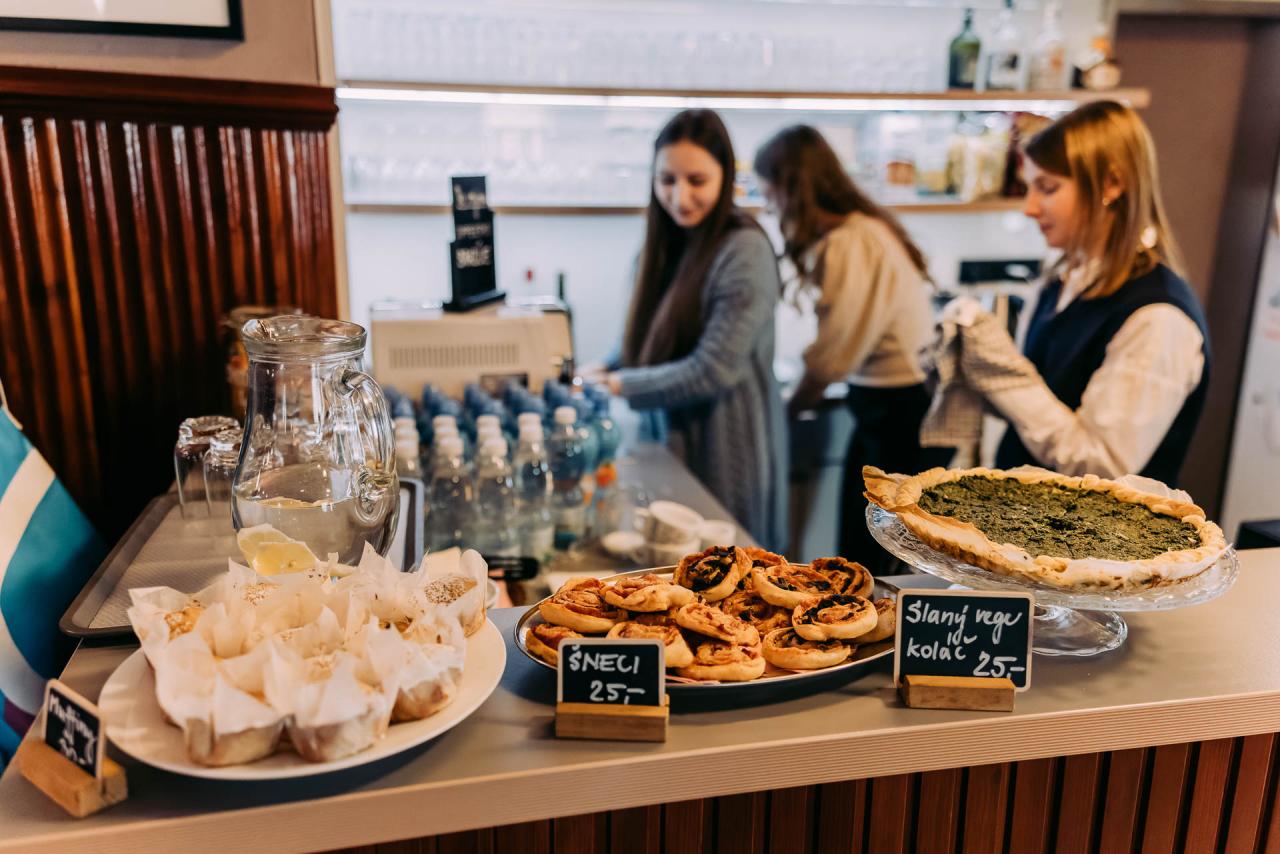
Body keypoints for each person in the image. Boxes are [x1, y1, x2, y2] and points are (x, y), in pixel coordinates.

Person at [963, 100, 1209, 485]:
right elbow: (1036, 413)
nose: (1029, 208)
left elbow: (1102, 463)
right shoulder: (1059, 281)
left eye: (1047, 188)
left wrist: (1005, 378)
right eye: (1029, 187)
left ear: (1111, 184)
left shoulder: (1157, 317)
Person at [584, 109, 787, 552]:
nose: (679, 196)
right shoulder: (667, 243)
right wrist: (604, 366)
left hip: (727, 448)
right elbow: (646, 335)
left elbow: (713, 368)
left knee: (729, 565)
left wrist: (618, 383)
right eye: (667, 180)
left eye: (697, 181)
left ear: (725, 177)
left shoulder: (745, 250)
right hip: (670, 443)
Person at [753, 125, 946, 571]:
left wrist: (787, 410)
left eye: (769, 194)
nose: (769, 207)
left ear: (790, 187)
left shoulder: (848, 242)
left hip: (896, 411)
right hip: (904, 404)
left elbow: (834, 354)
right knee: (877, 550)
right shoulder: (866, 229)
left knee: (868, 557)